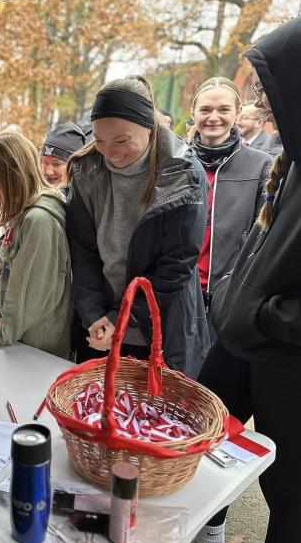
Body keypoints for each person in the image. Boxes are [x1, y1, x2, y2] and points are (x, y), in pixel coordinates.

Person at [184, 12, 301, 543]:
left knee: (285, 496)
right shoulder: (297, 154)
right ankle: (197, 542)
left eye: (271, 85)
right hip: (241, 343)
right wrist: (239, 304)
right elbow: (267, 246)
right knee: (196, 441)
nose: (262, 98)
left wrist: (268, 318)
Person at [67, 75, 209, 376]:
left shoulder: (183, 174)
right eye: (100, 140)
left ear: (149, 126)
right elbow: (83, 252)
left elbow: (175, 267)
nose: (110, 153)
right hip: (99, 326)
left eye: (122, 141)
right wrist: (93, 313)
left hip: (159, 326)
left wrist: (122, 319)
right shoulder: (86, 169)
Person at [0, 133, 72, 358]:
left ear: (11, 177)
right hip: (21, 338)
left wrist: (1, 330)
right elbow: (3, 268)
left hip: (36, 346)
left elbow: (29, 291)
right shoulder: (24, 214)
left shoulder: (38, 220)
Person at [189, 77, 271, 330]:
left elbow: (262, 237)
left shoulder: (261, 165)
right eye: (205, 110)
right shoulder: (176, 161)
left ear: (237, 114)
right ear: (193, 114)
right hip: (180, 293)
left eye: (223, 109)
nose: (214, 117)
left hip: (228, 297)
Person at [40, 122, 88, 197]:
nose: (48, 172)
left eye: (56, 164)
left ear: (76, 165)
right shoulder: (31, 196)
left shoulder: (88, 201)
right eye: (45, 162)